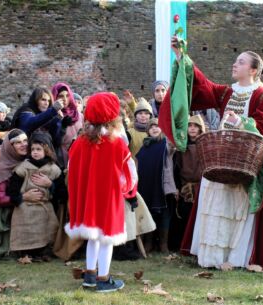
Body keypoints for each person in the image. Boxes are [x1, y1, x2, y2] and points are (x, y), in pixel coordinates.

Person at [161, 37, 263, 270]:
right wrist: (181, 57)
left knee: (237, 208)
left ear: (253, 70)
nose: (235, 65)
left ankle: (236, 258)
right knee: (216, 204)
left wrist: (242, 122)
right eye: (236, 61)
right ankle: (212, 257)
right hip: (220, 158)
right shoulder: (227, 92)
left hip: (246, 162)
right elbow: (202, 85)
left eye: (241, 62)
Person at [66, 92, 137, 292]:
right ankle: (103, 278)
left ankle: (89, 275)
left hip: (88, 198)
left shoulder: (79, 142)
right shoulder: (117, 144)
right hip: (108, 198)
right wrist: (125, 189)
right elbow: (129, 173)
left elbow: (72, 170)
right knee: (107, 239)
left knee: (93, 237)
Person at [0, 129, 51, 259]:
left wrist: (49, 183)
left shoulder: (32, 161)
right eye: (18, 142)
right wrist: (23, 197)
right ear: (10, 147)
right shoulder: (4, 167)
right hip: (5, 210)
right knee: (5, 250)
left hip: (29, 205)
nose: (23, 144)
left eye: (25, 141)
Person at [8, 132, 66, 257]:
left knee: (47, 227)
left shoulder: (54, 169)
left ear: (47, 150)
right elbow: (11, 191)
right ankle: (24, 250)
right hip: (25, 206)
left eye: (39, 149)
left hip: (45, 206)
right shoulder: (23, 168)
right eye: (33, 149)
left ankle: (44, 249)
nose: (35, 152)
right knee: (25, 227)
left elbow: (62, 193)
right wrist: (22, 197)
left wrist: (50, 184)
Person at [136, 118, 177, 253]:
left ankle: (163, 244)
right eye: (152, 126)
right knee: (149, 214)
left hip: (162, 186)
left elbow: (174, 144)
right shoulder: (144, 146)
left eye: (158, 126)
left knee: (164, 214)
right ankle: (149, 242)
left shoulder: (166, 144)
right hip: (146, 185)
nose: (154, 129)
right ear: (148, 130)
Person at [176, 115, 206, 254]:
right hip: (186, 187)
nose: (192, 129)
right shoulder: (181, 147)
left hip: (202, 187)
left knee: (201, 217)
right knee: (185, 217)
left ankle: (199, 246)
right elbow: (177, 168)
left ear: (200, 129)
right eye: (190, 126)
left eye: (195, 126)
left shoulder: (206, 145)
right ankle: (185, 246)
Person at [52, 82, 83, 166]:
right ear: (55, 97)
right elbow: (54, 141)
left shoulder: (79, 116)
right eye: (61, 96)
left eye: (67, 95)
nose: (65, 99)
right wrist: (62, 126)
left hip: (80, 154)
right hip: (62, 157)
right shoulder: (52, 116)